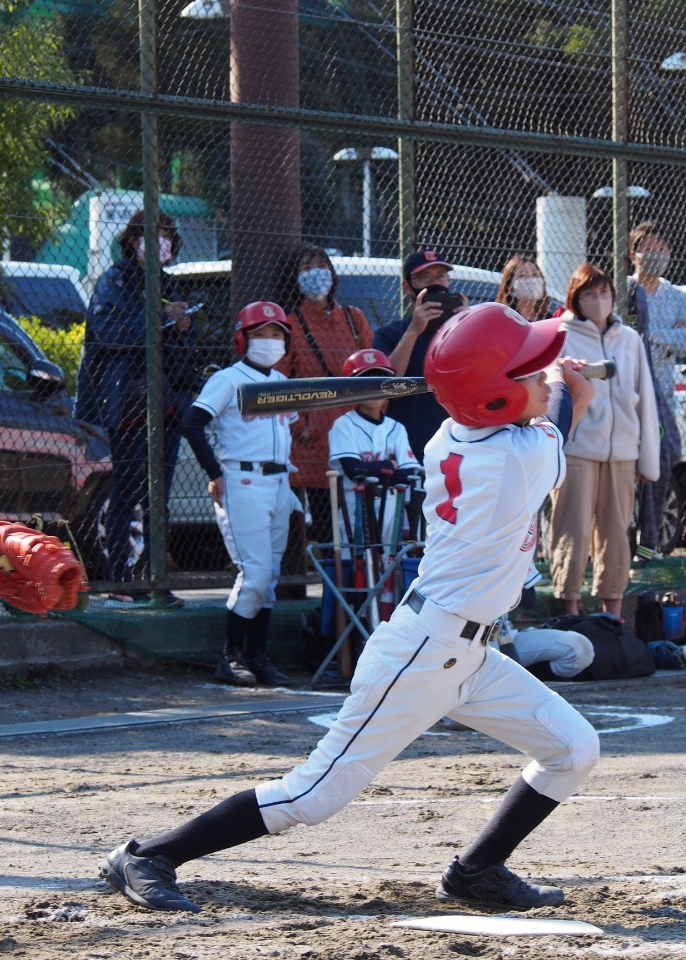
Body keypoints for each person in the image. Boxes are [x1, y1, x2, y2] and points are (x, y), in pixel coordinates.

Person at [100, 302, 599, 914]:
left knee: (573, 748)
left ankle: (478, 870)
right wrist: (565, 383)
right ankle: (149, 855)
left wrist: (532, 377)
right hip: (423, 652)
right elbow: (564, 412)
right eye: (525, 370)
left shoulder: (453, 431)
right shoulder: (515, 459)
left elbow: (528, 402)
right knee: (312, 795)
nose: (540, 373)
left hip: (469, 651)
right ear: (490, 399)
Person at [74, 211, 195, 604]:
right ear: (132, 240)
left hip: (167, 409)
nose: (158, 242)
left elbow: (182, 359)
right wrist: (161, 317)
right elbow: (109, 332)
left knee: (158, 496)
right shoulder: (115, 279)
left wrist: (181, 329)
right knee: (126, 491)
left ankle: (154, 579)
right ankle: (120, 578)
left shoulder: (171, 285)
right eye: (150, 235)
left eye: (165, 235)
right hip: (129, 405)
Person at [180, 302, 299, 687]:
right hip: (242, 481)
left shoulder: (282, 382)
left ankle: (257, 656)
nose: (269, 340)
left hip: (280, 483)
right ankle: (230, 656)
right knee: (256, 574)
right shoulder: (228, 379)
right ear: (241, 338)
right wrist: (214, 473)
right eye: (261, 333)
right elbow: (192, 423)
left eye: (276, 333)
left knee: (271, 576)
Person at [549, 263, 659, 619]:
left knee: (616, 534)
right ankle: (570, 611)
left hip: (623, 452)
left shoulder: (629, 339)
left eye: (605, 293)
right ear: (575, 299)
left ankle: (613, 614)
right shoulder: (559, 335)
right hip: (577, 451)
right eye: (589, 294)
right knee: (573, 530)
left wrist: (647, 459)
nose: (599, 301)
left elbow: (645, 397)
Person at [280, 244, 374, 547]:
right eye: (306, 268)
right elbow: (280, 383)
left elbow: (372, 368)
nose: (315, 273)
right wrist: (302, 425)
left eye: (321, 265)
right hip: (313, 441)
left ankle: (355, 586)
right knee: (322, 525)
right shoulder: (291, 324)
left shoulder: (353, 318)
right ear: (294, 278)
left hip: (355, 430)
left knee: (358, 523)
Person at [627, 221, 686, 552]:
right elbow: (628, 337)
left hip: (665, 400)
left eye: (661, 249)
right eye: (648, 249)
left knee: (665, 460)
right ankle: (629, 536)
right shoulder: (625, 291)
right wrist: (670, 334)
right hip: (629, 398)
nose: (655, 255)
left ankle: (651, 542)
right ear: (633, 254)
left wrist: (653, 335)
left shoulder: (677, 296)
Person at [371, 248, 468, 456]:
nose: (435, 283)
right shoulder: (390, 334)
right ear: (407, 287)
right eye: (424, 277)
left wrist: (467, 327)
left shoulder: (462, 330)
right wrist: (414, 331)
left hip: (456, 442)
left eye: (440, 276)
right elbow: (386, 385)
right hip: (407, 445)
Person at [327, 348, 420, 548]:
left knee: (390, 567)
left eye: (380, 379)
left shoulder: (397, 428)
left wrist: (377, 470)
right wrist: (390, 465)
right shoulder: (344, 425)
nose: (374, 386)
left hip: (393, 507)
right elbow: (354, 470)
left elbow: (410, 473)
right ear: (351, 388)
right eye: (366, 379)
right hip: (356, 508)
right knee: (359, 567)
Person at [496, 255, 552, 322]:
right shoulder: (506, 318)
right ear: (510, 287)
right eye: (522, 275)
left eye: (535, 274)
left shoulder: (549, 318)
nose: (531, 280)